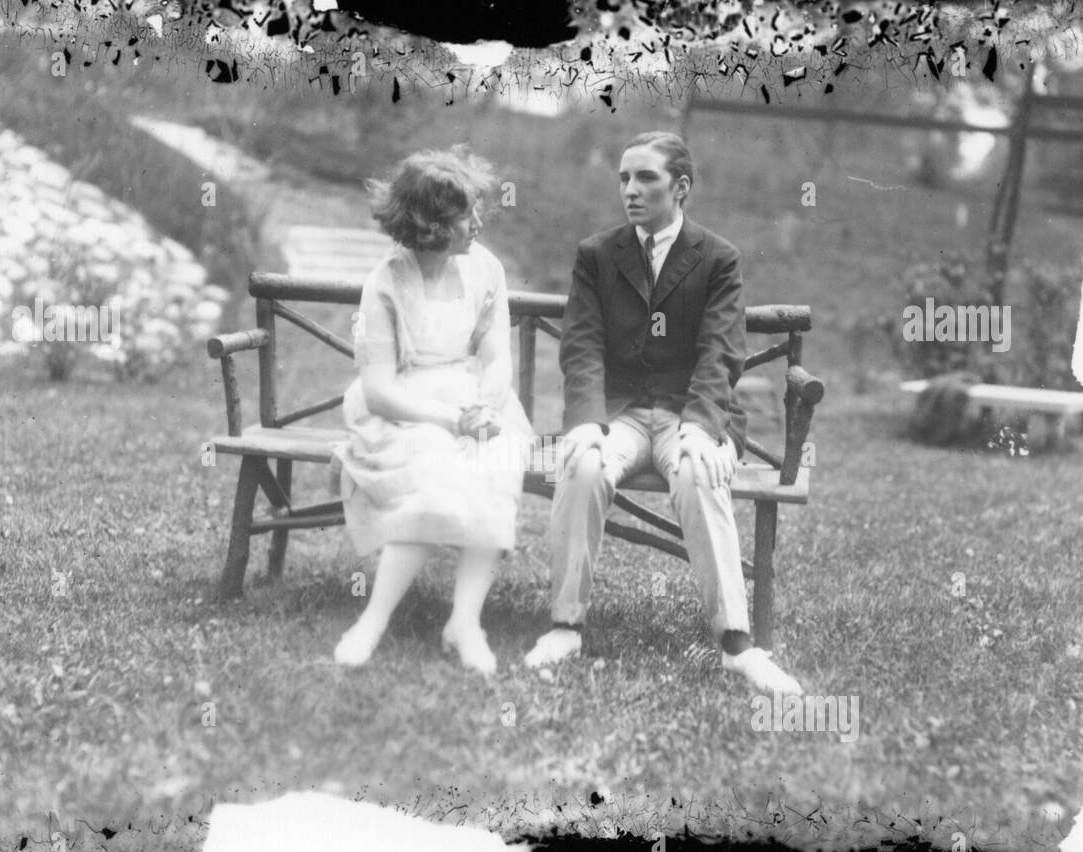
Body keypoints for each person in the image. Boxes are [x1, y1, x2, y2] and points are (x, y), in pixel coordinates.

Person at [524, 131, 804, 695]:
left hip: (686, 414)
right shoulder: (598, 255)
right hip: (620, 415)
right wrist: (584, 420)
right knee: (581, 464)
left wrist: (703, 426)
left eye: (645, 178)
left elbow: (721, 348)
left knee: (700, 470)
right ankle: (565, 626)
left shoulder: (717, 258)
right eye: (624, 178)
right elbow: (581, 345)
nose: (630, 189)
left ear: (680, 187)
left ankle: (737, 646)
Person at [332, 146, 533, 678]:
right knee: (436, 470)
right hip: (404, 406)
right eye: (467, 214)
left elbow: (496, 357)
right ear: (432, 225)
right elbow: (377, 390)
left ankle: (465, 622)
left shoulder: (487, 269)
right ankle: (372, 621)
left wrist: (486, 408)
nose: (479, 223)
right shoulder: (385, 283)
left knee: (496, 460)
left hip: (472, 397)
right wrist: (448, 422)